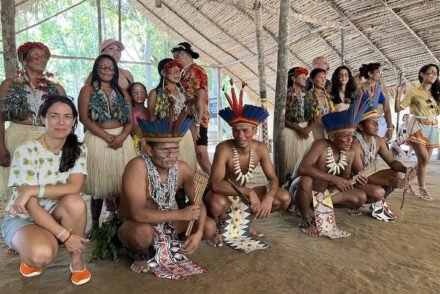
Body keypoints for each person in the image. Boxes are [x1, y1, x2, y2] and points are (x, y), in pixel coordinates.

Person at [1, 96, 91, 285]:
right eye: (54, 116)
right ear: (43, 118)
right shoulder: (26, 151)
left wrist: (31, 189)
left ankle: (76, 260)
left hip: (58, 213)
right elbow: (31, 206)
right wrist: (66, 236)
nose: (61, 122)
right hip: (26, 218)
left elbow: (74, 187)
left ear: (74, 121)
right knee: (40, 255)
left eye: (67, 117)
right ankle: (30, 249)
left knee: (75, 201)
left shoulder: (78, 149)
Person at [117, 115, 215, 278]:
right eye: (164, 150)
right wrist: (180, 214)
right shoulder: (137, 167)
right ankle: (140, 254)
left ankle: (174, 241)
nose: (171, 155)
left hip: (166, 222)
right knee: (143, 234)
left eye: (175, 149)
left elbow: (198, 204)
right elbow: (138, 214)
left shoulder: (182, 168)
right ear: (149, 149)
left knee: (209, 227)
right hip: (136, 224)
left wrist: (197, 234)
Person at [206, 80, 291, 248]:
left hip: (243, 196)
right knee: (218, 203)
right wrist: (249, 191)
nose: (240, 135)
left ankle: (244, 223)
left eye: (246, 130)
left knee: (283, 197)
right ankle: (217, 228)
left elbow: (273, 179)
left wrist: (268, 197)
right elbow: (215, 184)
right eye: (236, 130)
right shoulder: (224, 148)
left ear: (255, 131)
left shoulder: (260, 148)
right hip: (221, 194)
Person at [0, 42, 66, 204]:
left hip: (47, 140)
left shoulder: (56, 88)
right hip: (18, 138)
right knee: (22, 189)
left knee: (44, 187)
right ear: (24, 59)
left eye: (43, 56)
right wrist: (1, 148)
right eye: (35, 55)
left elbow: (66, 119)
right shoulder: (10, 84)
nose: (40, 58)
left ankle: (43, 223)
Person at [289, 103, 368, 237]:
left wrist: (355, 181)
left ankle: (318, 208)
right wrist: (334, 178)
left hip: (323, 194)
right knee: (306, 180)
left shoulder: (349, 153)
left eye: (352, 135)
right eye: (345, 136)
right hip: (302, 189)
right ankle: (305, 218)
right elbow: (303, 168)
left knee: (360, 197)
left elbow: (345, 179)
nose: (350, 140)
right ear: (332, 137)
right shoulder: (320, 145)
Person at [78, 54, 136, 230]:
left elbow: (129, 119)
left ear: (115, 71)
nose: (106, 70)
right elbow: (84, 118)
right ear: (96, 69)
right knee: (98, 185)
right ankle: (95, 224)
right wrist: (106, 136)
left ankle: (120, 222)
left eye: (110, 67)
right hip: (97, 138)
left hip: (121, 138)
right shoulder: (87, 90)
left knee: (120, 183)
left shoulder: (123, 93)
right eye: (102, 67)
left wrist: (122, 136)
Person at [351, 101, 413, 221]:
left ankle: (376, 203)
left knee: (397, 174)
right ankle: (354, 204)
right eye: (371, 122)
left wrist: (406, 170)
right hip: (355, 181)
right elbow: (361, 177)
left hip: (368, 176)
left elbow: (392, 162)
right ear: (360, 126)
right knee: (379, 191)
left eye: (377, 121)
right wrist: (390, 182)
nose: (377, 124)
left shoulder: (378, 140)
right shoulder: (355, 145)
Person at [395, 64, 440, 200]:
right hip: (417, 127)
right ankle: (422, 189)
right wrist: (398, 94)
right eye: (430, 72)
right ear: (422, 74)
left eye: (435, 73)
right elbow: (398, 108)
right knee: (424, 158)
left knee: (423, 162)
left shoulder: (437, 93)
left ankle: (408, 179)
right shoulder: (413, 91)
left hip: (433, 128)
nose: (433, 75)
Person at [148, 58, 197, 171]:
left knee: (186, 168)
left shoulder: (185, 94)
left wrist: (194, 138)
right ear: (163, 72)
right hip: (166, 138)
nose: (177, 73)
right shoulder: (155, 93)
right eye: (173, 70)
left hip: (186, 136)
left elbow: (191, 118)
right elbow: (152, 119)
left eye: (178, 70)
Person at [172, 42, 211, 175]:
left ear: (182, 54)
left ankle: (217, 182)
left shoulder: (197, 71)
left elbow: (200, 99)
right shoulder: (183, 73)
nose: (175, 61)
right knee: (194, 153)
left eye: (175, 58)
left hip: (197, 119)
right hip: (186, 119)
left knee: (201, 154)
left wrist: (198, 123)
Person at [284, 67, 316, 179]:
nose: (304, 79)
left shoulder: (307, 96)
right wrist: (298, 129)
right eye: (301, 76)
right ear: (293, 78)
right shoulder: (285, 95)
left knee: (306, 161)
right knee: (292, 164)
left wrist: (308, 128)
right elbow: (281, 118)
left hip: (306, 131)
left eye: (305, 77)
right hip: (291, 131)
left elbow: (314, 116)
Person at [358, 63, 393, 140]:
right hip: (365, 124)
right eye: (378, 71)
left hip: (379, 123)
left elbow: (387, 110)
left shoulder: (382, 87)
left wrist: (390, 127)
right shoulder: (361, 87)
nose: (381, 73)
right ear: (370, 74)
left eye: (382, 71)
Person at [307, 68, 335, 140]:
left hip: (330, 132)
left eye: (325, 77)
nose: (323, 80)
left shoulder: (328, 96)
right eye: (320, 77)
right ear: (312, 79)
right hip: (315, 133)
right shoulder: (308, 97)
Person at [129, 82, 149, 154]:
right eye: (135, 93)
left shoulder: (150, 112)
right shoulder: (129, 113)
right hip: (132, 147)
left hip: (149, 146)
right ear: (130, 96)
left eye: (142, 92)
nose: (139, 95)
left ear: (147, 95)